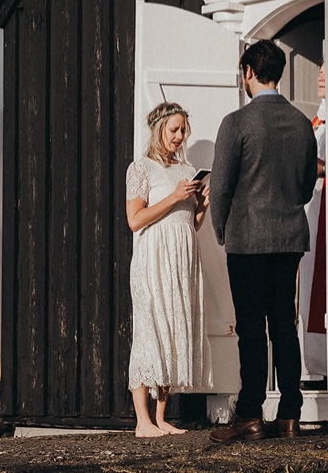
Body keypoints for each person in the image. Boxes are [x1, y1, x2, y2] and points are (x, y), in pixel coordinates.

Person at [208, 40, 318, 443]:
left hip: (248, 240)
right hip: (288, 238)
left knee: (252, 329)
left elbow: (219, 189)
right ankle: (290, 414)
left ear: (249, 72)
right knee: (284, 327)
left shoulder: (236, 123)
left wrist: (222, 231)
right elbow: (306, 188)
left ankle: (250, 415)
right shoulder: (302, 123)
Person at [125, 101, 213, 437]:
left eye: (183, 130)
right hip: (153, 259)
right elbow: (135, 220)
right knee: (150, 332)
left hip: (181, 258)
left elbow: (190, 225)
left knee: (174, 331)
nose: (179, 136)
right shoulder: (141, 168)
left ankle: (162, 417)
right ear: (159, 128)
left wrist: (200, 206)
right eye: (174, 129)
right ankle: (142, 421)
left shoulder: (185, 169)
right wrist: (175, 197)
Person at [298, 63, 328, 384]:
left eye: (327, 70)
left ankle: (327, 364)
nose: (320, 76)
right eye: (319, 71)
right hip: (309, 208)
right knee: (306, 286)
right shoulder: (314, 122)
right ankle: (313, 367)